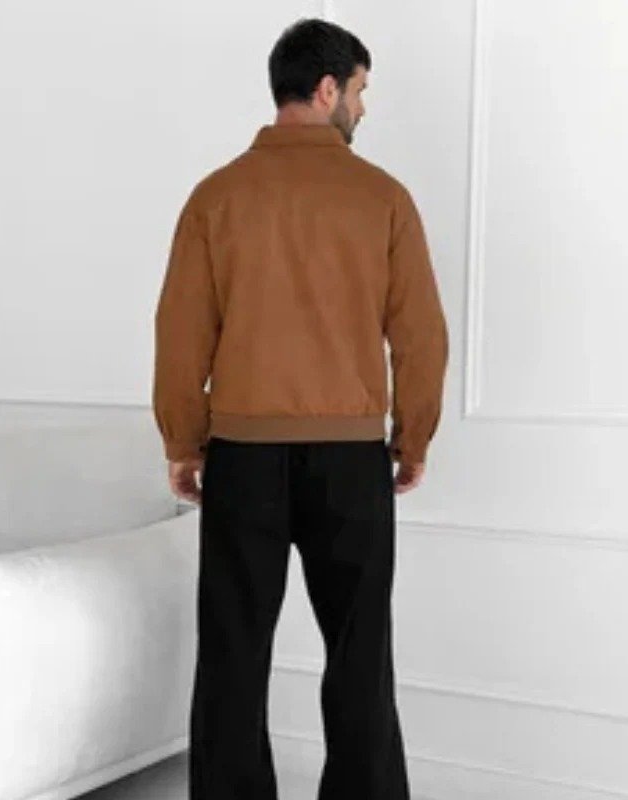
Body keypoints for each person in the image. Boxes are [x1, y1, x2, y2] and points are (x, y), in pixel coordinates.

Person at [151, 16, 449, 800]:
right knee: (359, 651)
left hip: (242, 456)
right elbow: (421, 336)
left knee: (233, 651)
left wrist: (183, 442)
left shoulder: (216, 197)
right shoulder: (383, 198)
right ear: (326, 89)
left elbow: (180, 334)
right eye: (359, 90)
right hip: (350, 460)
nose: (362, 107)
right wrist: (412, 438)